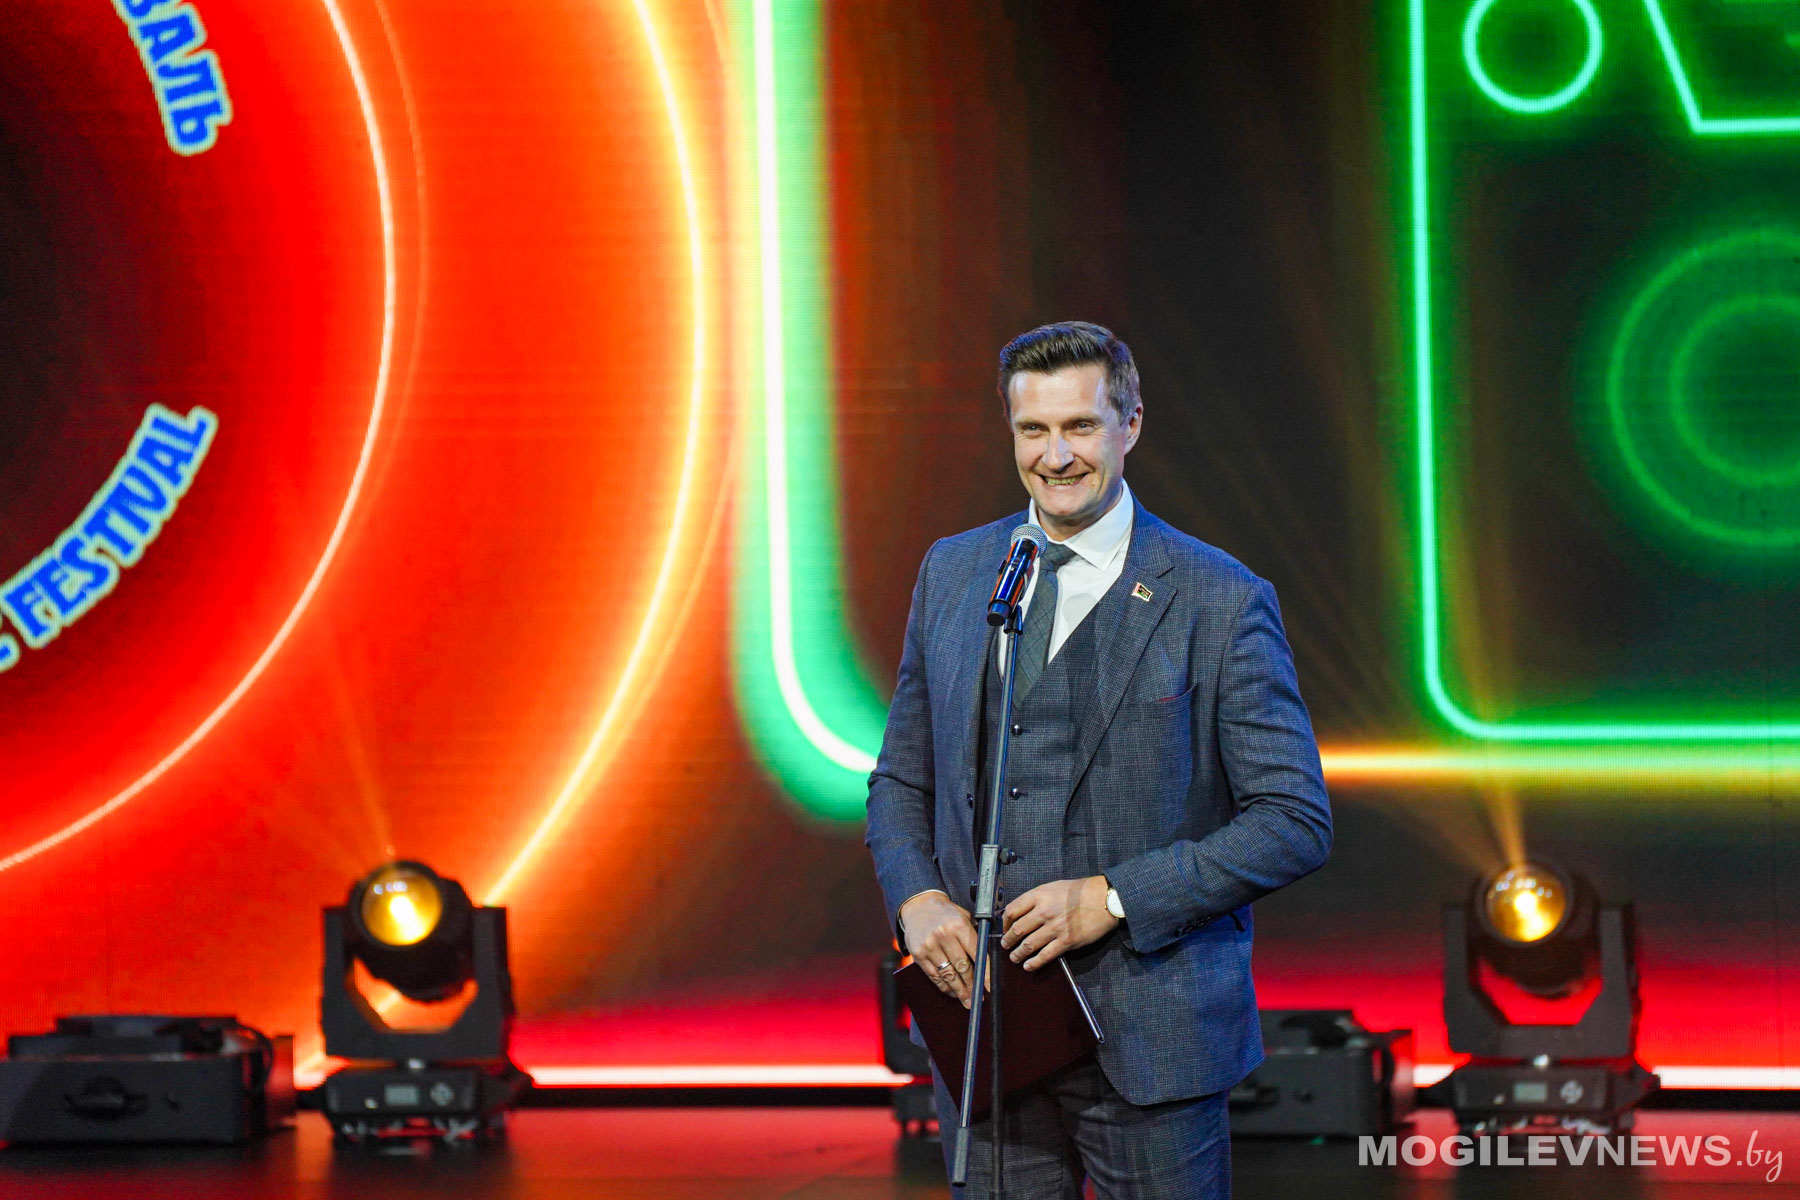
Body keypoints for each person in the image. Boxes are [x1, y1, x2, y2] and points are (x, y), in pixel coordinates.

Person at [865, 322, 1332, 1198]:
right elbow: (901, 778)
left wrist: (1114, 898)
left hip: (1152, 1040)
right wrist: (916, 897)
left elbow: (1294, 821)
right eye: (1032, 430)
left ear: (1131, 424)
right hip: (989, 1031)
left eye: (1080, 426)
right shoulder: (957, 573)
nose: (1055, 456)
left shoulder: (1219, 597)